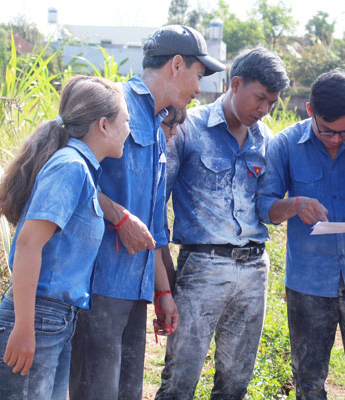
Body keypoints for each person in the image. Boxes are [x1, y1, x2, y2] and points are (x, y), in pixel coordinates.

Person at [69, 25, 224, 400]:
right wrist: (116, 215)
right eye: (198, 76)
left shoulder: (157, 126)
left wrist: (162, 291)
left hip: (133, 287)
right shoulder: (111, 104)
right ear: (176, 65)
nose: (198, 89)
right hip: (96, 284)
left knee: (126, 391)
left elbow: (152, 224)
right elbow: (65, 173)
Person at [155, 46, 289, 399]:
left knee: (235, 383)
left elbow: (265, 208)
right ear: (235, 83)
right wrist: (164, 283)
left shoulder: (265, 140)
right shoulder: (189, 128)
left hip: (254, 268)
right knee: (179, 380)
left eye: (272, 103)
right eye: (259, 98)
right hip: (203, 266)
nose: (264, 110)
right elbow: (156, 206)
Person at [0, 75, 129, 400]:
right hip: (37, 317)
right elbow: (27, 243)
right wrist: (24, 328)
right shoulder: (71, 167)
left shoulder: (81, 167)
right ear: (103, 125)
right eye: (126, 120)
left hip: (54, 319)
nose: (129, 129)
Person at [257, 69, 345, 400]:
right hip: (308, 284)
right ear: (310, 111)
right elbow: (265, 208)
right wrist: (295, 204)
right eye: (326, 130)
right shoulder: (285, 145)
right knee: (310, 381)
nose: (335, 139)